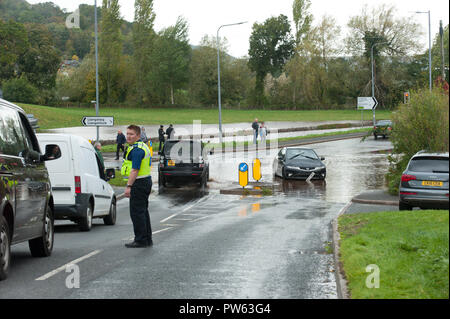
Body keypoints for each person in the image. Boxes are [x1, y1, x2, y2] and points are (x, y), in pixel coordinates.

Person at [121, 125, 153, 248]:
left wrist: (129, 186)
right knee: (143, 212)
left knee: (137, 213)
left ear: (138, 136)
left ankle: (140, 240)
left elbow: (135, 169)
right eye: (127, 133)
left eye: (131, 134)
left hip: (139, 183)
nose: (128, 136)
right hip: (145, 181)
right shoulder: (141, 146)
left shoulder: (137, 150)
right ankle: (147, 239)